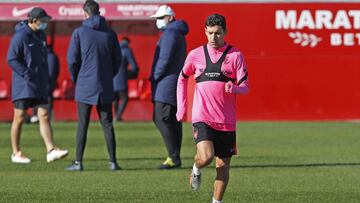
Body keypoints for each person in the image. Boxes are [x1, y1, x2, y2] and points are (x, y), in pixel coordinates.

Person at [176, 14, 249, 203]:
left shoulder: (236, 55)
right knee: (207, 157)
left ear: (225, 32)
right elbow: (182, 78)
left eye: (217, 33)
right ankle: (196, 167)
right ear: (205, 32)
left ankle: (216, 202)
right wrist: (181, 108)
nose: (213, 38)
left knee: (223, 167)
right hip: (202, 117)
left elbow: (245, 87)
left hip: (226, 120)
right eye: (209, 33)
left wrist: (235, 88)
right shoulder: (195, 54)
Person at [7, 7, 68, 164]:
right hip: (24, 84)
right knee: (19, 117)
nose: (45, 23)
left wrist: (44, 77)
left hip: (39, 83)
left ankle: (51, 150)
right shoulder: (20, 37)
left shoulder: (41, 35)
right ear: (33, 20)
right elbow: (12, 59)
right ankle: (16, 153)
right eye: (43, 21)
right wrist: (27, 74)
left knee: (44, 114)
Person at [66, 0, 122, 171]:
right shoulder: (110, 33)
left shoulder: (79, 32)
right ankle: (113, 162)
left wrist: (78, 78)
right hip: (104, 85)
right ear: (99, 12)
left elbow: (72, 60)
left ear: (85, 12)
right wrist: (107, 76)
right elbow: (117, 60)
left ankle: (78, 162)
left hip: (84, 85)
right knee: (107, 124)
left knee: (83, 125)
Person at [150, 5, 188, 169]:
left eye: (160, 18)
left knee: (161, 118)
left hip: (166, 83)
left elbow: (164, 59)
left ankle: (173, 157)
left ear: (170, 17)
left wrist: (155, 76)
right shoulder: (177, 33)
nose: (158, 22)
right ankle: (175, 157)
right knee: (172, 119)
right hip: (174, 81)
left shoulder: (170, 34)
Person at [30, 45, 59, 123]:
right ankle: (39, 116)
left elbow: (51, 72)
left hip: (46, 83)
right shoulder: (51, 56)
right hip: (46, 82)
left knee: (45, 99)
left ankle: (43, 116)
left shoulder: (49, 57)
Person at [113, 37, 139, 121]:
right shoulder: (127, 50)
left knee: (115, 98)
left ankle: (116, 116)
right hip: (121, 78)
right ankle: (117, 116)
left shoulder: (114, 49)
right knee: (124, 98)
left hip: (112, 78)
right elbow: (134, 65)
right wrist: (134, 73)